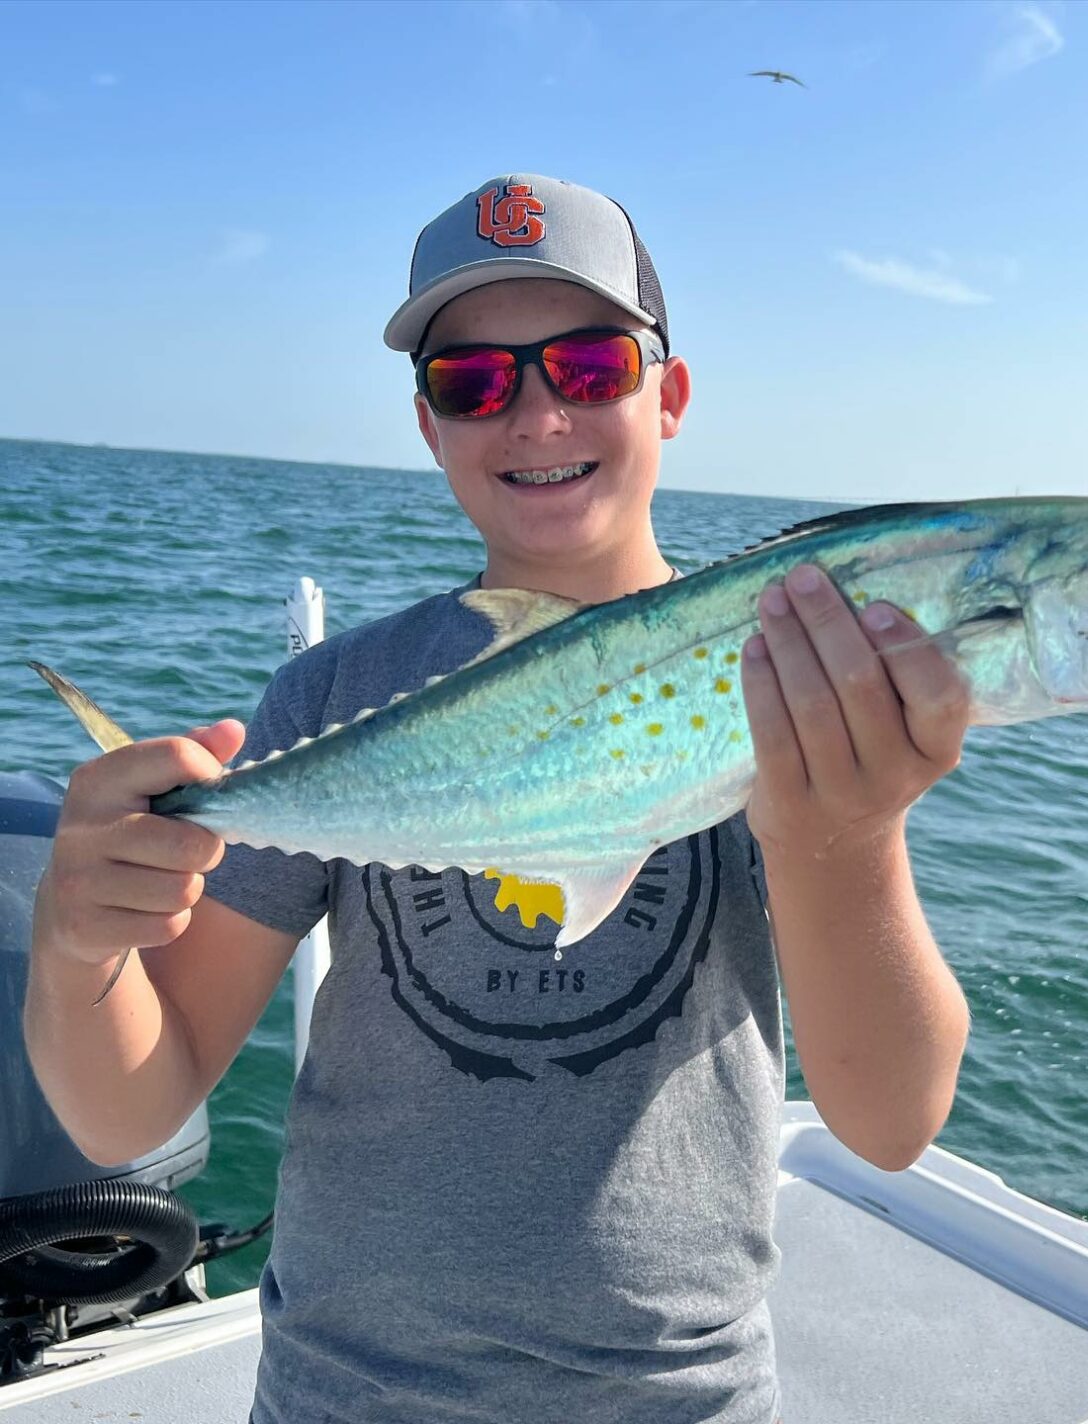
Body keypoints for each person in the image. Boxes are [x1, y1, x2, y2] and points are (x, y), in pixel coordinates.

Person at [25, 174, 973, 1424]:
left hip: (679, 1398)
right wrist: (78, 941)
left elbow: (889, 1122)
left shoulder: (791, 674)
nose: (532, 415)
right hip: (341, 1391)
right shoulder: (335, 691)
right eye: (473, 383)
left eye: (586, 366)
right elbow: (126, 1108)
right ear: (428, 426)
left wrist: (846, 837)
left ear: (667, 395)